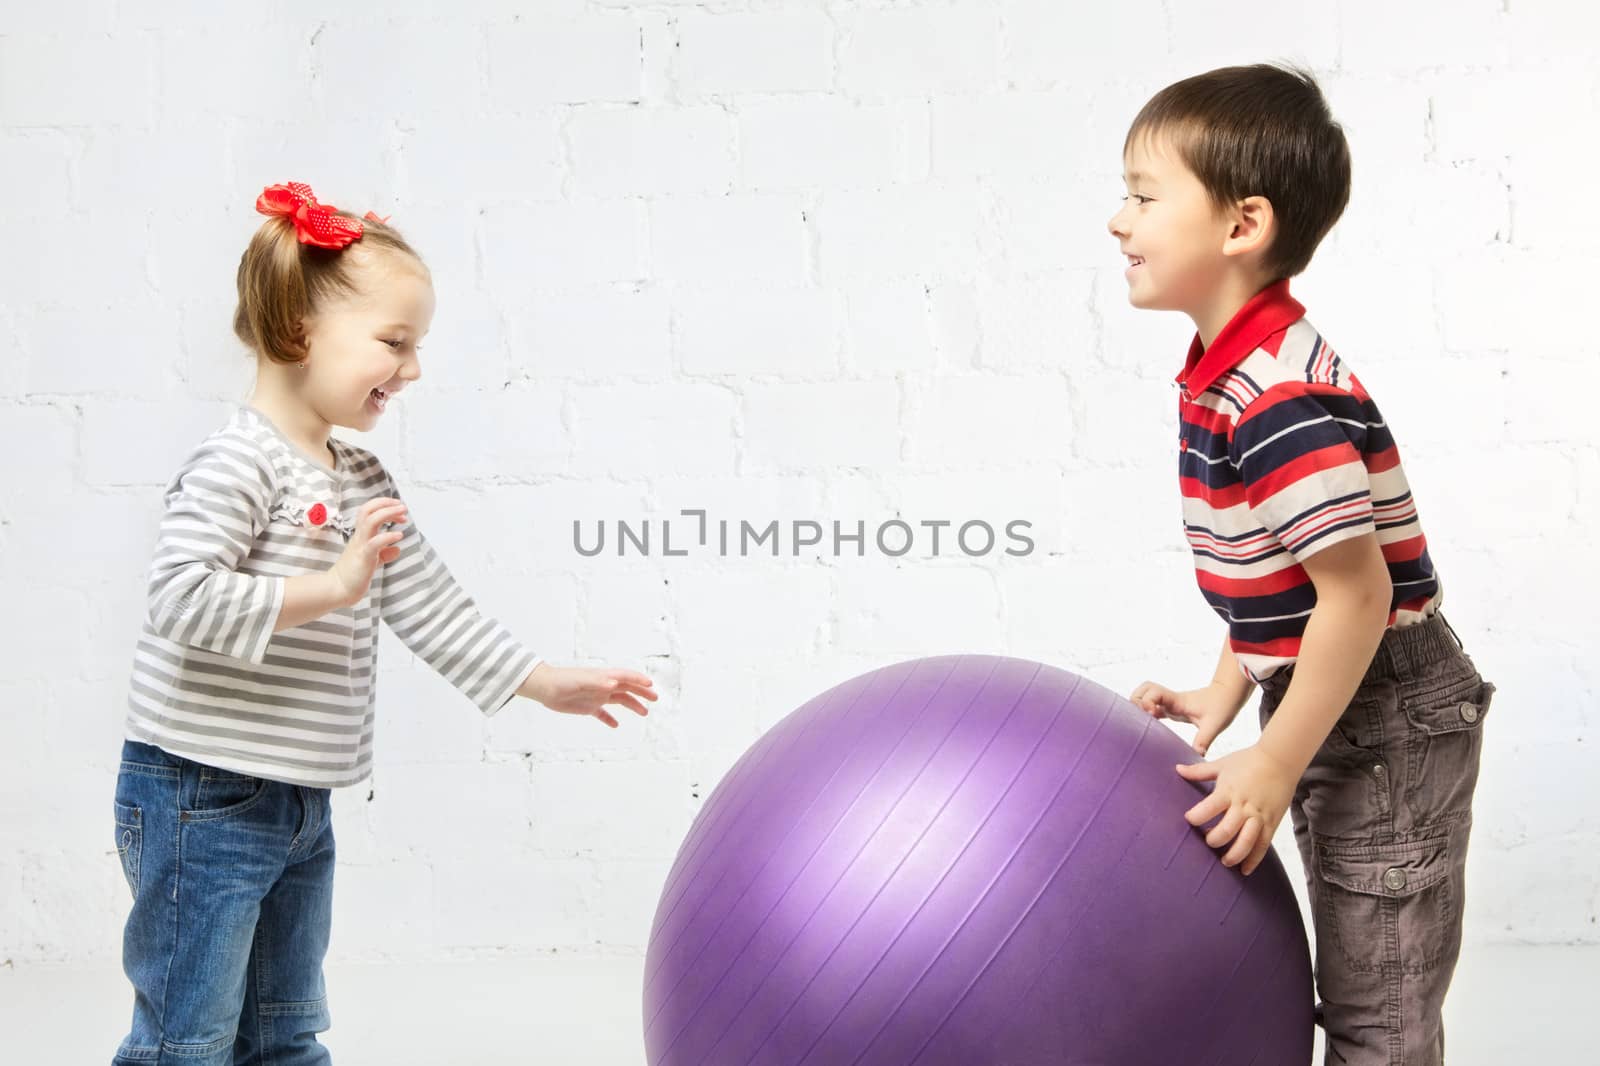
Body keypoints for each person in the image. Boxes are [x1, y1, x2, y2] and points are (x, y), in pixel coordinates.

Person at [110, 180, 657, 1065]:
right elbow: (179, 598)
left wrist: (543, 682)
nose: (411, 371)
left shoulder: (361, 479)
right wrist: (329, 588)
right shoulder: (235, 466)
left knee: (285, 1030)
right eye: (394, 344)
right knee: (188, 1038)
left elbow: (428, 601)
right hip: (200, 797)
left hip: (297, 800)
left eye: (417, 347)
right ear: (298, 334)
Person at [1107, 64, 1494, 1064]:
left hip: (1387, 716)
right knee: (1354, 985)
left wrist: (1277, 760)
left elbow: (1356, 599)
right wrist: (1225, 690)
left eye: (1144, 197)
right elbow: (1281, 582)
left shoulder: (1275, 400)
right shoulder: (1228, 372)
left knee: (1375, 1011)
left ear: (1241, 225)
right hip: (1335, 694)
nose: (1118, 221)